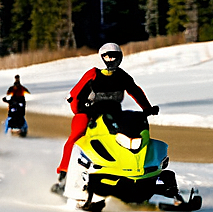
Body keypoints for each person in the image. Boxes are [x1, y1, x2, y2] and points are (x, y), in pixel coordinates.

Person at [53, 43, 160, 192]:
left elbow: (135, 91)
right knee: (76, 135)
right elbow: (75, 93)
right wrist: (78, 110)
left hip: (114, 113)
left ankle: (125, 170)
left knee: (126, 134)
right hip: (89, 113)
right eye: (107, 56)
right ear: (101, 58)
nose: (111, 59)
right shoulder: (92, 74)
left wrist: (147, 108)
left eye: (114, 57)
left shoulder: (121, 75)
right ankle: (64, 174)